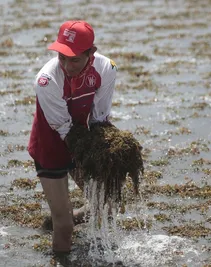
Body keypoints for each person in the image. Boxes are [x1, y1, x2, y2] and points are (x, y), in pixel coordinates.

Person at [28, 20, 117, 253]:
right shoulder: (47, 81)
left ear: (91, 53)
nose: (67, 65)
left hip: (81, 142)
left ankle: (60, 217)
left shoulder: (106, 68)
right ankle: (61, 231)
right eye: (62, 57)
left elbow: (99, 118)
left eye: (75, 59)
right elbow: (64, 128)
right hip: (51, 147)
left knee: (106, 204)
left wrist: (109, 147)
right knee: (65, 228)